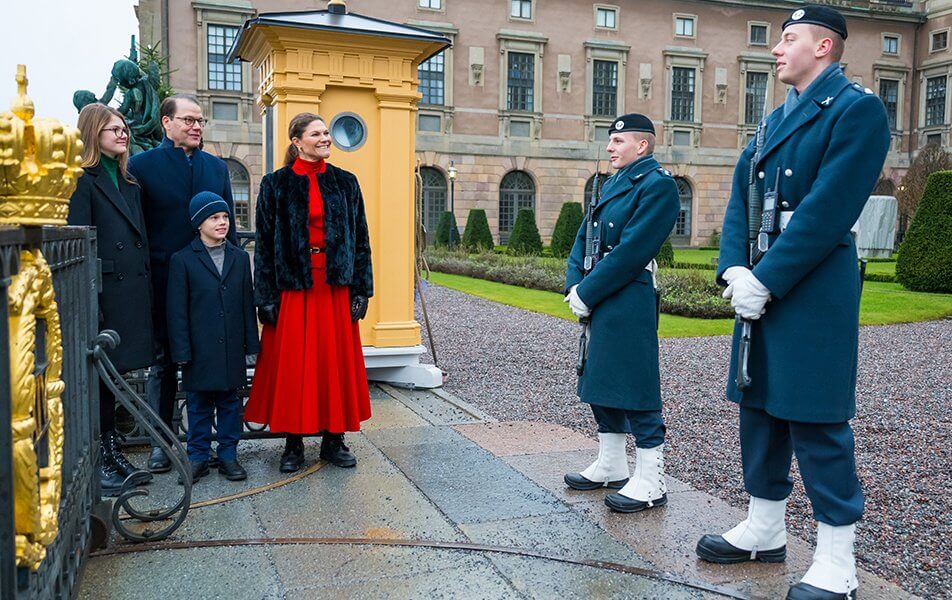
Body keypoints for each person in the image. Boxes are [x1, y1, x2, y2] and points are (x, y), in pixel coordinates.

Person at [694, 7, 890, 600]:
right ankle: (764, 527)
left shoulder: (855, 110)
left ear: (824, 46)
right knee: (759, 409)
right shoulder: (773, 121)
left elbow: (828, 209)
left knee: (816, 417)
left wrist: (768, 278)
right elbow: (740, 197)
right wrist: (733, 265)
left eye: (790, 38)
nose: (777, 49)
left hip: (810, 292)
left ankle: (837, 558)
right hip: (761, 285)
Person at [562, 113, 680, 514]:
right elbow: (583, 237)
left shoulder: (657, 185)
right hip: (600, 294)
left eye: (618, 142)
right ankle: (612, 463)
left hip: (628, 294)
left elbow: (633, 250)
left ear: (642, 146)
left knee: (635, 384)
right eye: (610, 142)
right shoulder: (610, 183)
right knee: (599, 378)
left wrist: (589, 290)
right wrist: (574, 284)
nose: (610, 147)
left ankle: (651, 479)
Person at [244, 112, 373, 472]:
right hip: (294, 287)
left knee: (333, 364)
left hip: (335, 286)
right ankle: (293, 445)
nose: (326, 138)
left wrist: (362, 289)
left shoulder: (347, 183)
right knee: (294, 366)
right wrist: (265, 297)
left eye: (327, 132)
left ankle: (334, 440)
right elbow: (265, 246)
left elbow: (361, 238)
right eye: (316, 133)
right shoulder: (275, 185)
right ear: (297, 141)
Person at [128, 94, 237, 473]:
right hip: (162, 283)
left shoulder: (215, 167)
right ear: (166, 123)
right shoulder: (141, 166)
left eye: (200, 121)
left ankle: (209, 444)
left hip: (212, 287)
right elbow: (136, 228)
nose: (196, 126)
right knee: (164, 364)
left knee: (210, 360)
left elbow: (231, 230)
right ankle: (161, 442)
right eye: (188, 120)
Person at [68, 103, 154, 495]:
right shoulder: (82, 180)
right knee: (100, 379)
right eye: (112, 129)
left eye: (123, 129)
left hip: (130, 293)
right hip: (102, 295)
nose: (123, 134)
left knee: (115, 378)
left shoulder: (128, 181)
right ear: (92, 134)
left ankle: (114, 450)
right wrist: (92, 300)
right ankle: (102, 459)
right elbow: (80, 246)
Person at [166, 192, 259, 483]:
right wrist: (181, 350)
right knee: (199, 404)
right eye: (214, 218)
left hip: (231, 346)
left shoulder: (240, 258)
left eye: (225, 217)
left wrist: (251, 346)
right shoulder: (182, 260)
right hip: (200, 349)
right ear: (198, 224)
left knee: (230, 403)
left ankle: (229, 454)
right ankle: (197, 457)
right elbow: (177, 310)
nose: (222, 223)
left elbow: (247, 304)